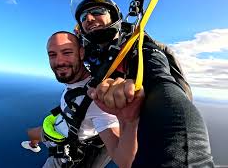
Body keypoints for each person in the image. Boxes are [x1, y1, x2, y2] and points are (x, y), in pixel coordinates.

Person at [71, 0, 214, 167]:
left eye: (98, 12)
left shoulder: (138, 47)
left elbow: (162, 85)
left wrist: (188, 159)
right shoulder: (91, 50)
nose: (89, 19)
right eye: (83, 16)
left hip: (134, 120)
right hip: (112, 118)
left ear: (114, 16)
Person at [21, 31, 144, 168]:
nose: (59, 61)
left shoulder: (96, 97)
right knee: (31, 133)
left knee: (34, 135)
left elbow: (125, 161)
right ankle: (34, 145)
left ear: (81, 53)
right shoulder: (76, 82)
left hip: (64, 148)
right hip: (59, 125)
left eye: (67, 52)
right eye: (52, 55)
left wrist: (129, 122)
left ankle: (35, 144)